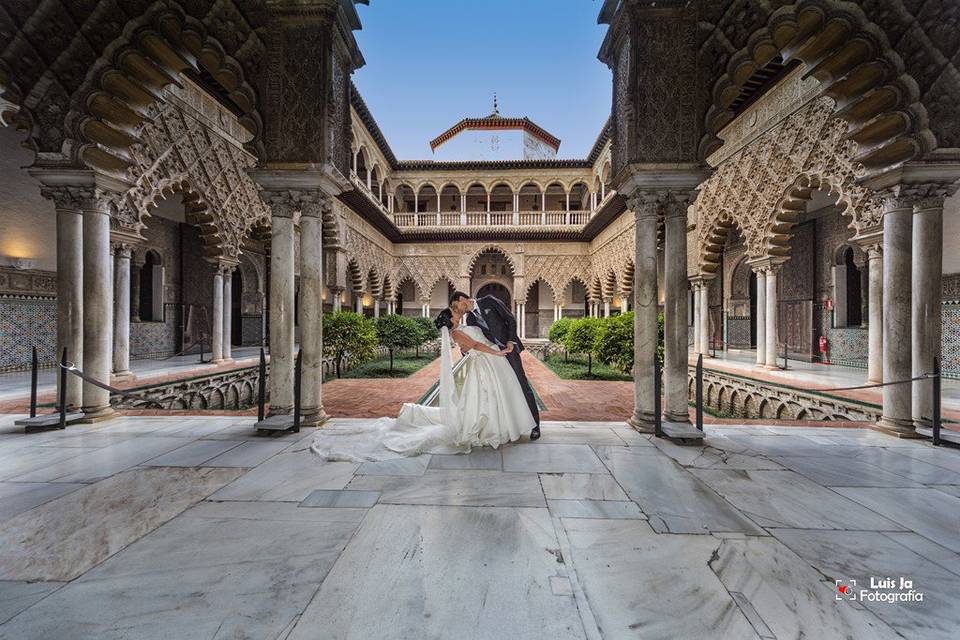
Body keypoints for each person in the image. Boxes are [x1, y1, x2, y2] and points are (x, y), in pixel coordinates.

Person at [311, 304, 536, 461]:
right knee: (483, 399)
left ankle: (498, 427)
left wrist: (498, 348)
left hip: (489, 364)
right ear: (450, 321)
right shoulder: (457, 333)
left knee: (494, 398)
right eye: (453, 314)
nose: (456, 314)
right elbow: (476, 346)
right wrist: (496, 354)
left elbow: (481, 339)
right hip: (485, 365)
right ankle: (487, 429)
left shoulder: (466, 323)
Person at [450, 290, 541, 440]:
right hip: (493, 357)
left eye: (456, 305)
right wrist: (465, 350)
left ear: (462, 299)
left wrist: (510, 341)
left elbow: (510, 319)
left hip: (509, 349)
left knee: (521, 383)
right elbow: (476, 343)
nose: (457, 309)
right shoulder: (470, 320)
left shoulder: (489, 300)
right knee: (505, 389)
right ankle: (513, 424)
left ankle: (535, 426)